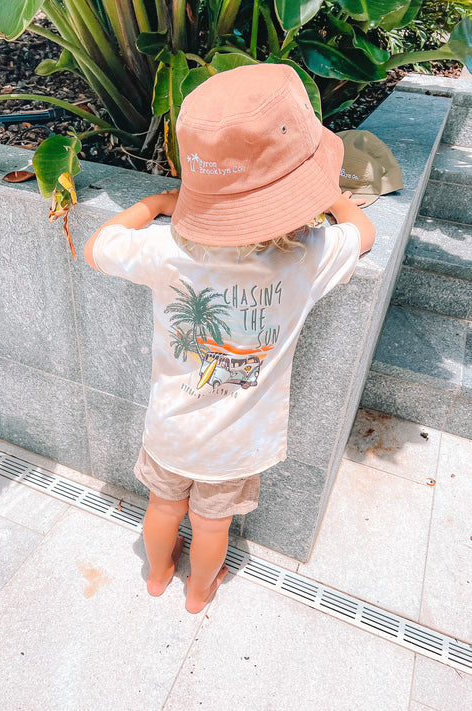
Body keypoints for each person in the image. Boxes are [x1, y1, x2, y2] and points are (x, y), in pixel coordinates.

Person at [84, 63, 375, 613]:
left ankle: (157, 575)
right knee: (211, 524)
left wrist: (157, 204)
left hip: (170, 430)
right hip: (238, 443)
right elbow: (363, 234)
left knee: (163, 509)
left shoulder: (167, 252)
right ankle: (199, 592)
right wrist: (333, 200)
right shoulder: (306, 257)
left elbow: (98, 245)